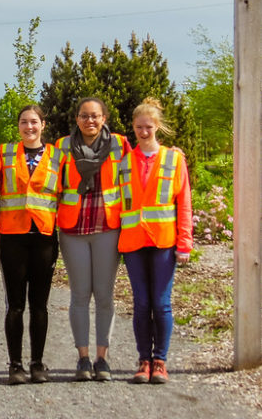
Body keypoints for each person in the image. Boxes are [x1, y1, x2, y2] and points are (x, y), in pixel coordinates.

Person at [118, 98, 193, 385]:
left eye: (148, 126)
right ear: (133, 128)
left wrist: (184, 243)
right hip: (134, 241)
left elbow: (184, 203)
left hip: (163, 242)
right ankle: (143, 360)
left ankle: (160, 360)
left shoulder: (174, 159)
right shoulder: (124, 162)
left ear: (157, 126)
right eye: (138, 127)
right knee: (141, 303)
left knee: (161, 304)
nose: (143, 131)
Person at [56, 97, 130, 382]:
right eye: (84, 116)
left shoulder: (120, 145)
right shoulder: (62, 147)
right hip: (73, 229)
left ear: (104, 118)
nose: (90, 121)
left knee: (104, 295)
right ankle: (83, 358)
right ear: (76, 119)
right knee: (79, 294)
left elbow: (135, 169)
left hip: (107, 227)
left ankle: (103, 358)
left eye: (95, 116)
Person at [0, 105, 61, 385]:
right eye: (24, 122)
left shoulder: (59, 157)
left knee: (39, 305)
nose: (29, 127)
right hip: (13, 237)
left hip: (44, 237)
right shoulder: (4, 154)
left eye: (34, 122)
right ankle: (15, 365)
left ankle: (37, 363)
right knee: (15, 305)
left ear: (43, 125)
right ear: (18, 126)